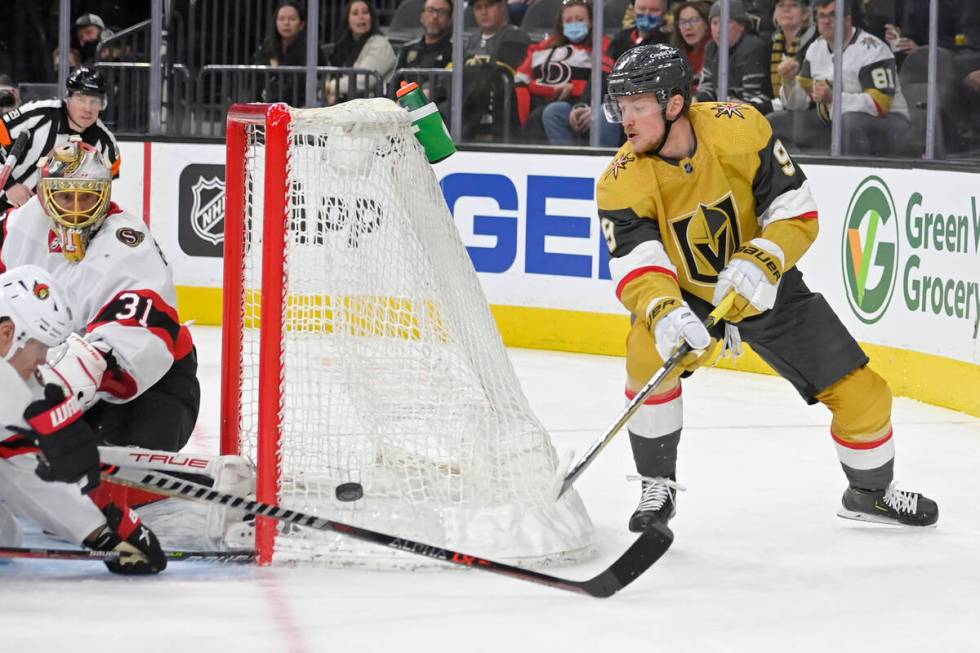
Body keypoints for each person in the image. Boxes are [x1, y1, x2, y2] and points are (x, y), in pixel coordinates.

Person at [596, 44, 938, 533]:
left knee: (865, 393)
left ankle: (870, 492)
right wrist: (664, 311)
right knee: (646, 355)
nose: (625, 121)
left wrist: (765, 258)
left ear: (674, 105)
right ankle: (657, 486)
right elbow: (637, 263)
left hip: (765, 282)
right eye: (621, 107)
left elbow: (795, 208)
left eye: (637, 107)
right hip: (687, 293)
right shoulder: (620, 181)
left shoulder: (739, 127)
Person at [0, 138, 200, 453]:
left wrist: (81, 368)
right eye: (66, 197)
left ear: (104, 197)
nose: (77, 211)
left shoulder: (126, 244)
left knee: (96, 486)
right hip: (58, 381)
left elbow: (139, 337)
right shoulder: (22, 226)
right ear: (46, 196)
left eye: (87, 199)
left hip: (151, 388)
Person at [0, 264, 166, 575]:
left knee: (6, 536)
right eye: (38, 347)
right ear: (6, 334)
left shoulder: (17, 383)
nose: (43, 360)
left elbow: (20, 471)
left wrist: (102, 532)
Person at [768, 0, 910, 156]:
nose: (826, 21)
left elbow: (880, 105)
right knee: (774, 123)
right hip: (834, 122)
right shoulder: (815, 48)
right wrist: (789, 82)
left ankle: (850, 177)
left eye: (833, 15)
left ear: (847, 19)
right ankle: (797, 175)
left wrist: (833, 99)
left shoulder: (872, 49)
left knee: (848, 123)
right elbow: (802, 102)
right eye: (821, 16)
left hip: (888, 123)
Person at [0, 67, 120, 213]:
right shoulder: (37, 114)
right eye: (81, 99)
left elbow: (97, 196)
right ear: (68, 98)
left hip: (55, 222)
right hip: (4, 206)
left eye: (94, 101)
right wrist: (9, 186)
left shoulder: (106, 146)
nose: (87, 108)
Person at [514, 0, 619, 146]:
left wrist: (575, 88)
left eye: (580, 19)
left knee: (553, 111)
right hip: (543, 101)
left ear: (590, 23)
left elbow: (606, 79)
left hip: (587, 103)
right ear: (561, 25)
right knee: (546, 113)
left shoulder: (604, 45)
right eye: (568, 20)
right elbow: (520, 80)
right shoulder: (543, 47)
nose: (574, 24)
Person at [460, 0, 531, 140]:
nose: (484, 12)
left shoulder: (515, 36)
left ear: (502, 8)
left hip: (499, 108)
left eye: (489, 6)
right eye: (478, 8)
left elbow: (504, 73)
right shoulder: (472, 40)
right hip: (470, 103)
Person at [695, 0, 774, 115]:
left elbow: (755, 97)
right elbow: (707, 87)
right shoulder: (711, 47)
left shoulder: (753, 47)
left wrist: (729, 106)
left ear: (741, 25)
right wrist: (698, 102)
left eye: (726, 22)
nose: (719, 29)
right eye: (714, 23)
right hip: (725, 109)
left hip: (752, 112)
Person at [253, 0, 325, 106]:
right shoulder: (268, 46)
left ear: (301, 24)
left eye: (292, 19)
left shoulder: (311, 47)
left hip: (300, 106)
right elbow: (257, 77)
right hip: (268, 104)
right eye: (281, 19)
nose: (286, 23)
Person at [325, 0, 396, 106]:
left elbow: (363, 81)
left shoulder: (380, 44)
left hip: (373, 107)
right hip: (345, 106)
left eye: (365, 12)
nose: (361, 17)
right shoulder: (342, 46)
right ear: (348, 21)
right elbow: (329, 78)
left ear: (372, 18)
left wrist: (331, 87)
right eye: (355, 13)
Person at [768, 0, 817, 103]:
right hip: (779, 106)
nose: (786, 9)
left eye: (794, 5)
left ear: (805, 14)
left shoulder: (815, 43)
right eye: (781, 5)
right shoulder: (770, 44)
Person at [395, 0, 454, 71]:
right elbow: (397, 81)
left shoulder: (454, 53)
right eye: (430, 10)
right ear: (422, 16)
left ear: (449, 19)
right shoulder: (407, 49)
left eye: (442, 12)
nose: (435, 16)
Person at [670, 1, 712, 90]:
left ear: (707, 24)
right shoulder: (677, 53)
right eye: (682, 22)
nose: (687, 27)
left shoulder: (715, 50)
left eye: (694, 20)